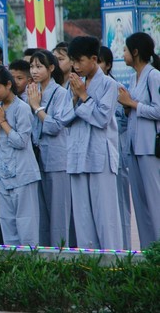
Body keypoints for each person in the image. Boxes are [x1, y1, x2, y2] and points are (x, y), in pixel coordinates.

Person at [65, 36, 122, 249]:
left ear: (94, 59)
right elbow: (63, 119)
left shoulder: (109, 85)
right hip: (77, 155)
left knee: (105, 215)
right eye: (73, 61)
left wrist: (83, 95)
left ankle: (113, 265)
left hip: (100, 156)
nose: (75, 66)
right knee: (82, 218)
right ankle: (90, 269)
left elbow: (101, 119)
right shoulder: (71, 83)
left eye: (79, 61)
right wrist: (73, 98)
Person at [0, 65, 41, 246]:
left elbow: (21, 142)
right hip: (3, 176)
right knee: (7, 224)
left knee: (27, 225)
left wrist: (2, 121)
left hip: (23, 175)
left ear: (8, 85)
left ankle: (30, 268)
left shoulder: (22, 108)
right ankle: (13, 269)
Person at [118, 32, 160, 249]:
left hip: (150, 148)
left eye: (125, 50)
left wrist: (132, 104)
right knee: (140, 203)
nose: (122, 54)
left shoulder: (153, 76)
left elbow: (159, 110)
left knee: (155, 201)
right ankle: (147, 250)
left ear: (135, 52)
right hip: (133, 147)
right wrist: (127, 107)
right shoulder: (134, 77)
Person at [27, 50, 73, 247]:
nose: (34, 71)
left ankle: (62, 256)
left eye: (39, 66)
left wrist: (37, 108)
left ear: (51, 68)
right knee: (42, 214)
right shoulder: (31, 92)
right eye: (32, 66)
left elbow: (55, 126)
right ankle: (45, 258)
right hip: (37, 159)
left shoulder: (61, 93)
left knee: (59, 213)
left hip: (57, 159)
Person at [99, 45, 132, 249]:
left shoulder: (115, 87)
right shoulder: (83, 86)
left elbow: (123, 120)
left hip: (115, 150)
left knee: (120, 205)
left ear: (108, 65)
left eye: (99, 62)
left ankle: (125, 249)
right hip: (102, 153)